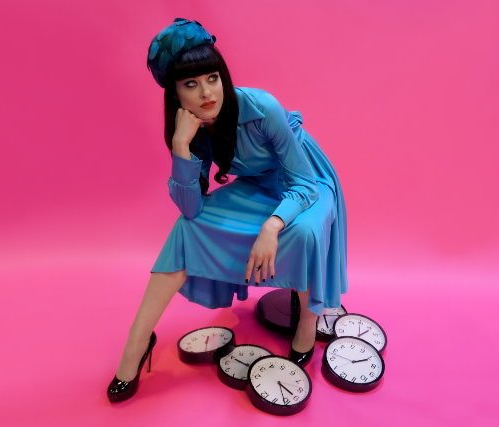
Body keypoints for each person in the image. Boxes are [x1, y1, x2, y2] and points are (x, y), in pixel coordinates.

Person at [107, 18, 348, 402]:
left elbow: (304, 183)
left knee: (303, 231)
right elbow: (191, 209)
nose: (206, 92)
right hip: (257, 186)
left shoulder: (262, 107)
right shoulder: (192, 130)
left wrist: (271, 226)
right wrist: (181, 148)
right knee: (187, 228)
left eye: (213, 78)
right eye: (191, 84)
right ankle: (137, 342)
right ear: (175, 94)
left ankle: (306, 326)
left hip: (307, 182)